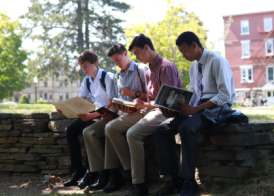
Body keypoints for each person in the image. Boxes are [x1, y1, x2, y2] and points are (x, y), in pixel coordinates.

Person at [152, 31, 235, 196]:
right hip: (197, 108)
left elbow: (225, 95)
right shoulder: (193, 67)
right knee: (160, 130)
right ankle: (174, 178)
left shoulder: (217, 61)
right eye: (181, 52)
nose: (183, 55)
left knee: (186, 128)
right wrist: (175, 106)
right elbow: (192, 93)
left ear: (194, 45)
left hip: (216, 108)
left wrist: (197, 108)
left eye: (184, 51)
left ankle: (189, 182)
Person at [105, 34, 183, 196]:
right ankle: (131, 168)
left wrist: (144, 104)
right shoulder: (150, 71)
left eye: (137, 52)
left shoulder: (165, 67)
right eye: (134, 54)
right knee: (111, 127)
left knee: (133, 134)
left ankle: (138, 184)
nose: (136, 56)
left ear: (147, 48)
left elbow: (169, 103)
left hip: (164, 112)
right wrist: (133, 106)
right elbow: (149, 98)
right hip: (148, 110)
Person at [82, 43, 148, 192]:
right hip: (120, 113)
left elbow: (151, 96)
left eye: (118, 59)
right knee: (89, 131)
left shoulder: (141, 70)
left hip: (139, 112)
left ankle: (120, 173)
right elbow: (112, 104)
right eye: (114, 62)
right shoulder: (116, 77)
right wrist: (107, 112)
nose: (117, 64)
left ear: (126, 54)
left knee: (110, 128)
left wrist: (133, 94)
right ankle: (102, 174)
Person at [59, 50, 113, 188]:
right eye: (82, 67)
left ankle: (92, 173)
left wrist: (91, 115)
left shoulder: (107, 77)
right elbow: (79, 101)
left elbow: (110, 104)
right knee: (70, 130)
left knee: (88, 131)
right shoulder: (87, 80)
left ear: (95, 63)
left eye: (86, 66)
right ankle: (79, 169)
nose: (84, 70)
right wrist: (64, 109)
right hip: (94, 111)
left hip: (106, 113)